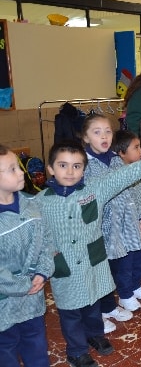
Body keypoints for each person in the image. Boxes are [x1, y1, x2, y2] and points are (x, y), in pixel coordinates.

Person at [36, 140, 141, 367]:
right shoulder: (40, 202)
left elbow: (119, 177)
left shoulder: (93, 190)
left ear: (84, 169)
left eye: (77, 166)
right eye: (63, 165)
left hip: (93, 262)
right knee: (71, 314)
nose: (70, 172)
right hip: (65, 266)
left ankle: (94, 334)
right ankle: (76, 351)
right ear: (50, 169)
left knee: (93, 306)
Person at [81, 114, 141, 333]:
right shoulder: (86, 165)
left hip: (124, 222)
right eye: (97, 132)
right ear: (85, 137)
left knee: (120, 263)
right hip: (103, 227)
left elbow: (129, 188)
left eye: (108, 131)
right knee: (104, 269)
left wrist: (138, 217)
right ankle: (102, 309)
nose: (104, 136)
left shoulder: (115, 159)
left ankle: (111, 305)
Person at [0, 144, 54, 367]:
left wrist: (43, 272)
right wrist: (23, 284)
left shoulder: (31, 205)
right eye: (12, 169)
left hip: (33, 299)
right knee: (6, 350)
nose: (21, 172)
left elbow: (48, 242)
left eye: (18, 167)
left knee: (36, 345)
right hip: (4, 305)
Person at [109, 130, 141, 313]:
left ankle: (135, 286)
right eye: (135, 147)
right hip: (123, 228)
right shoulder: (119, 173)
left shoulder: (135, 171)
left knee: (139, 257)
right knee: (126, 263)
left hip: (137, 222)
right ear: (121, 153)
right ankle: (125, 294)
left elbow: (138, 200)